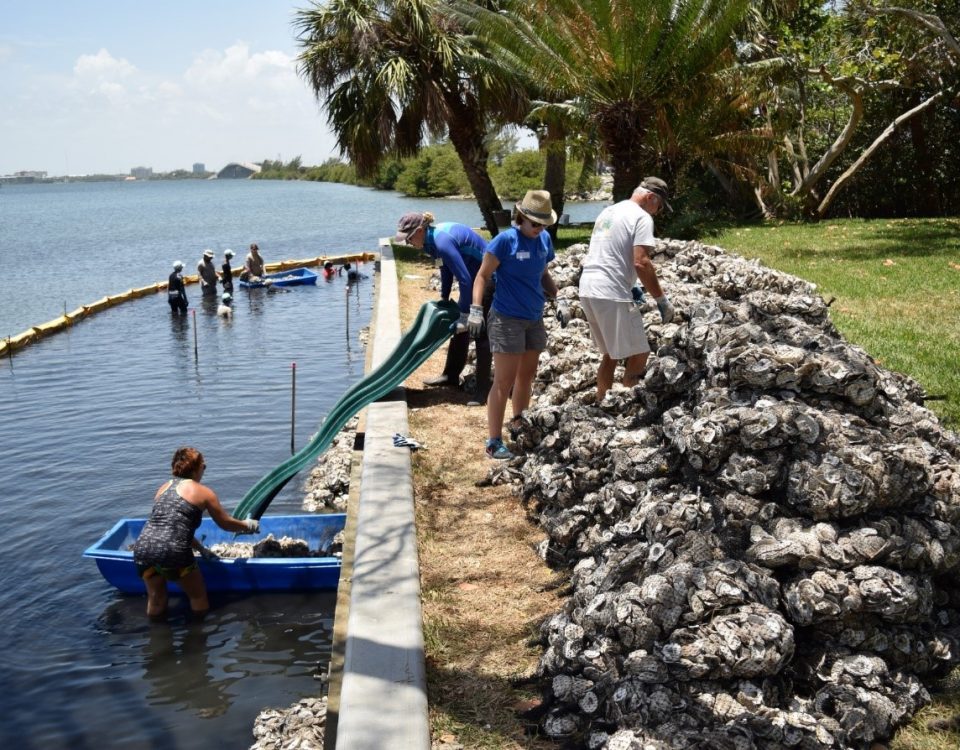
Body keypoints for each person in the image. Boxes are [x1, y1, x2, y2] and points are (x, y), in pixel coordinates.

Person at [469, 190, 569, 459]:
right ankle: (493, 441)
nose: (539, 228)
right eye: (535, 223)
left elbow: (544, 274)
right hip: (506, 318)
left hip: (534, 317)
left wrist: (559, 299)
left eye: (544, 223)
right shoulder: (504, 242)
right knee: (504, 380)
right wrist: (476, 309)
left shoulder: (544, 240)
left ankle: (519, 424)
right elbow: (482, 276)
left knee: (527, 376)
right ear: (521, 217)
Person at [578, 177, 677, 401]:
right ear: (650, 197)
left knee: (610, 355)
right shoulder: (641, 217)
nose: (657, 212)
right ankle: (626, 409)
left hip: (588, 287)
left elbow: (610, 251)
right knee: (639, 352)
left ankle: (603, 404)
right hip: (611, 291)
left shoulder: (610, 211)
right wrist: (661, 300)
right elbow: (641, 262)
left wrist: (631, 285)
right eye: (659, 207)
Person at [132, 446, 259, 619]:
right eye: (203, 466)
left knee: (156, 600)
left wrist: (201, 549)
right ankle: (197, 640)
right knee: (198, 597)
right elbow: (226, 524)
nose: (204, 470)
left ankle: (156, 640)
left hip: (144, 549)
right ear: (195, 469)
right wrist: (247, 525)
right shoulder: (204, 492)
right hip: (173, 553)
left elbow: (173, 527)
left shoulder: (164, 487)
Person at [394, 210, 492, 405]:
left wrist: (466, 313)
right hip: (473, 277)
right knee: (459, 326)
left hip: (489, 277)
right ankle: (451, 375)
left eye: (409, 238)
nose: (408, 243)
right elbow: (444, 268)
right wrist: (444, 297)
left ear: (420, 230)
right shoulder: (430, 243)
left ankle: (482, 392)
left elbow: (464, 279)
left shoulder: (442, 241)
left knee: (479, 330)